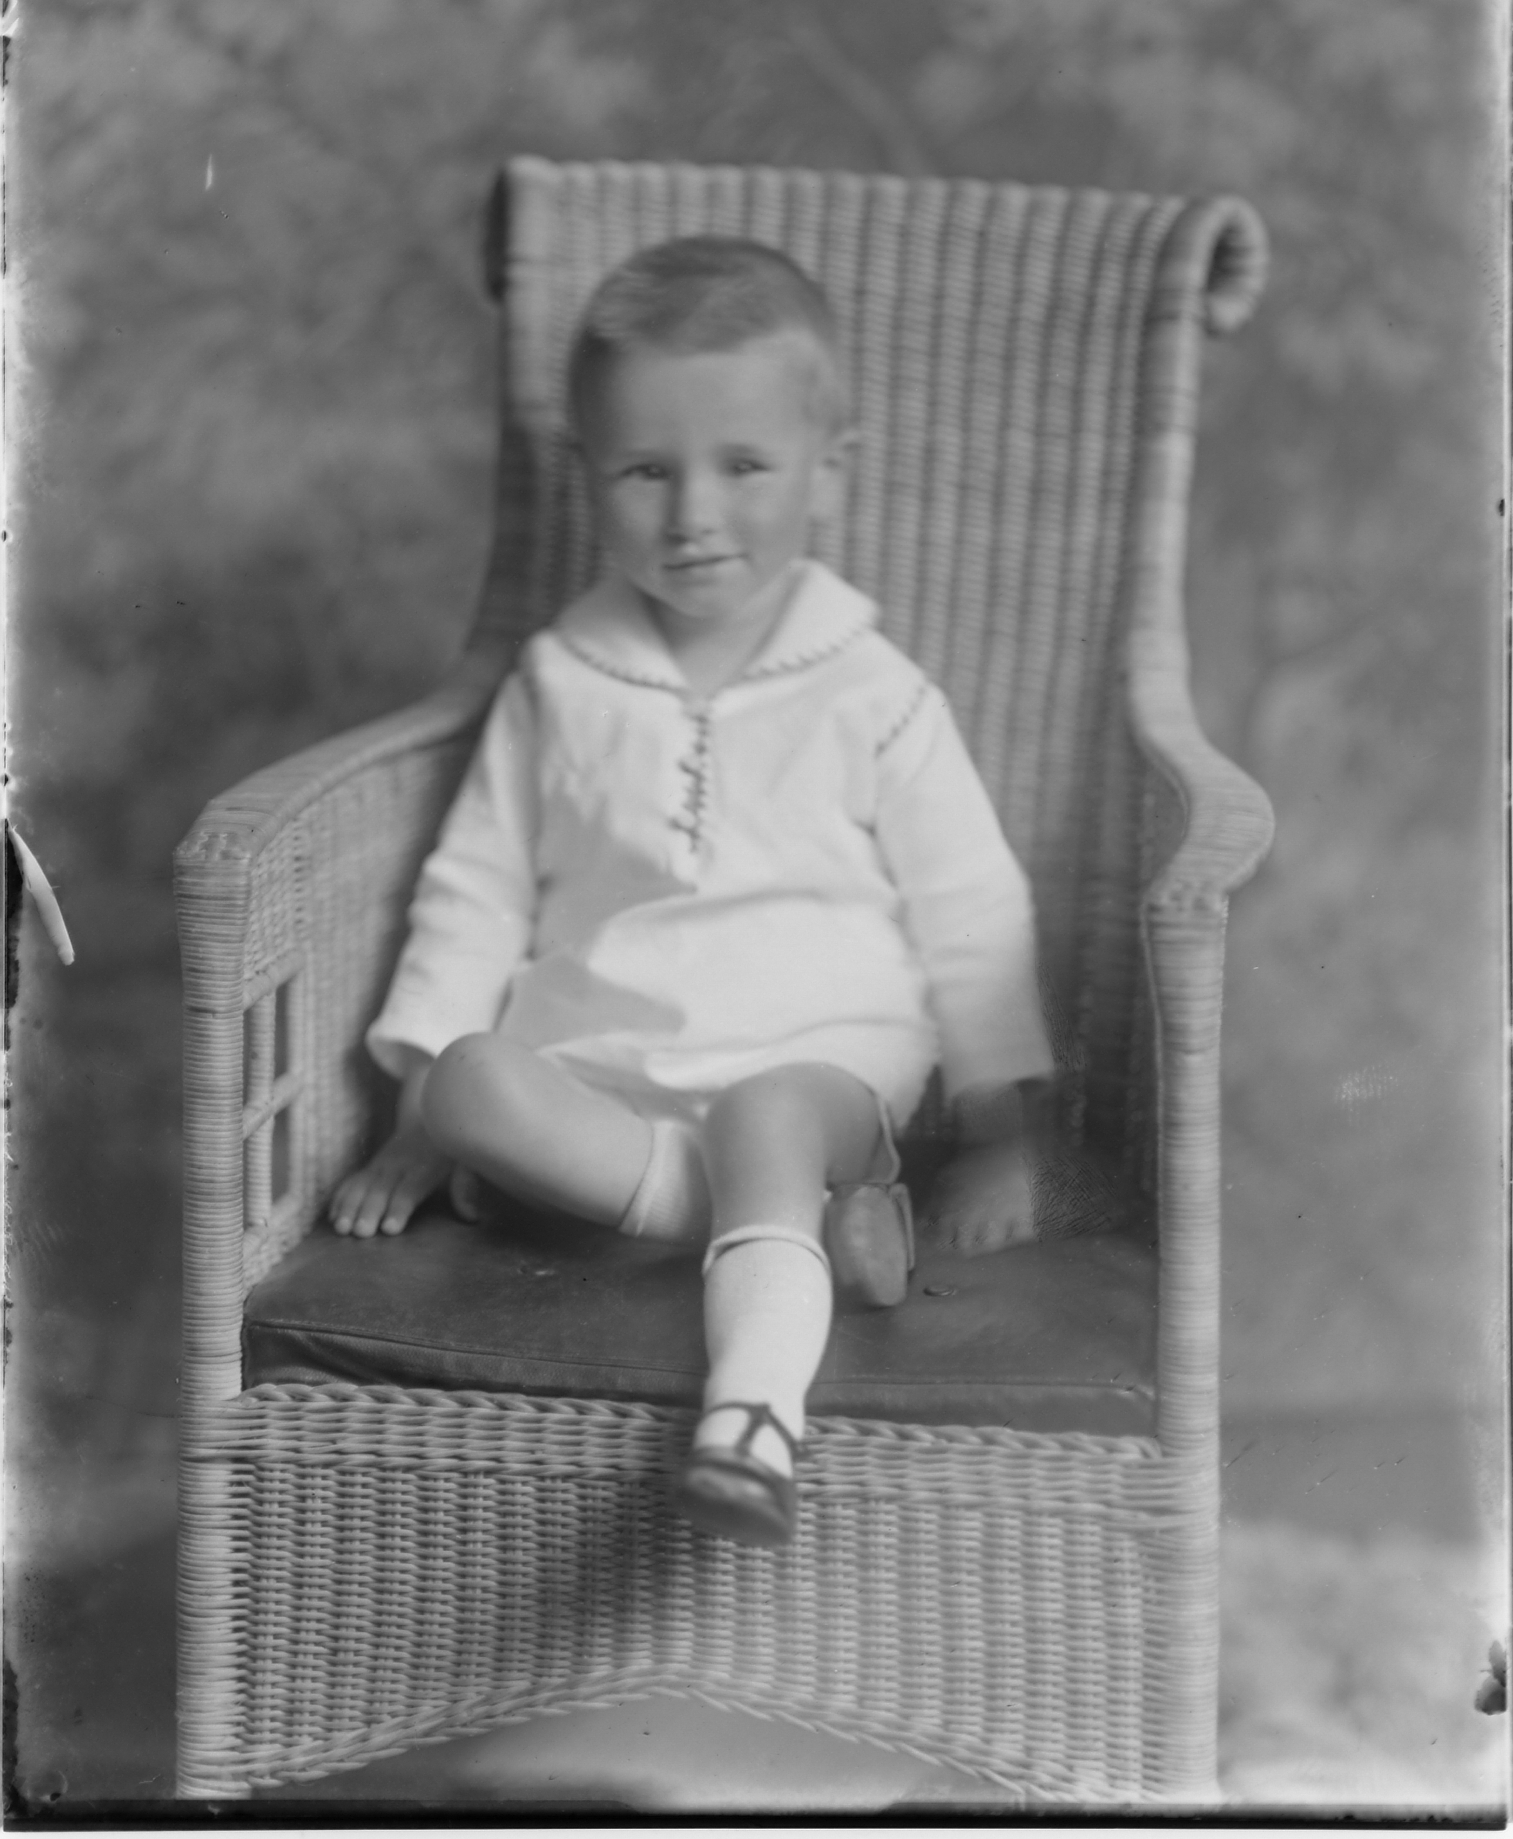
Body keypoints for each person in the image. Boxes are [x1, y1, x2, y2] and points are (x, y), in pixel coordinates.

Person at [329, 235, 1060, 1548]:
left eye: (744, 466)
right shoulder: (561, 683)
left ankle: (751, 1417)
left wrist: (1000, 1127)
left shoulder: (873, 693)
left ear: (828, 472)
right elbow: (474, 888)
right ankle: (772, 1227)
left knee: (769, 1113)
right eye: (647, 471)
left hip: (820, 1070)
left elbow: (972, 908)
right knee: (471, 1080)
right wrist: (420, 1103)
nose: (693, 515)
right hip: (609, 1094)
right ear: (588, 479)